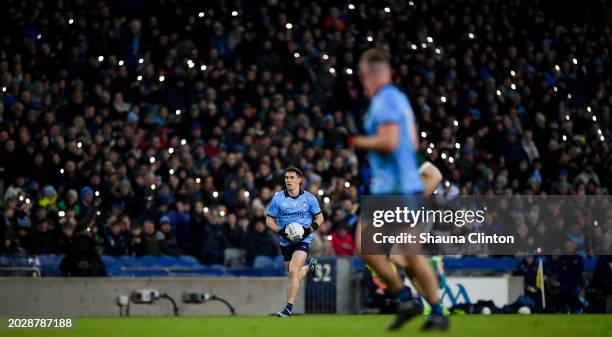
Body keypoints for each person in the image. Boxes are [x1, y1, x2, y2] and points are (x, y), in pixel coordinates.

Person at [349, 48, 448, 330]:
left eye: (363, 79)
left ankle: (431, 308)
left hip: (398, 190)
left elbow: (390, 142)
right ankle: (408, 299)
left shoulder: (384, 100)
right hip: (389, 188)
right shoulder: (400, 99)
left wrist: (357, 142)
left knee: (405, 253)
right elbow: (412, 142)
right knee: (370, 249)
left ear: (367, 75)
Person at [265, 167, 324, 318]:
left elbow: (320, 218)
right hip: (285, 241)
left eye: (292, 177)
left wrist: (308, 230)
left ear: (299, 180)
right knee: (294, 274)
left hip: (303, 239)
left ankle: (288, 308)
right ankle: (310, 267)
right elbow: (269, 220)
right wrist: (280, 231)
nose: (288, 180)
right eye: (286, 178)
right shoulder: (278, 198)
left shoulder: (309, 198)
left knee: (292, 270)